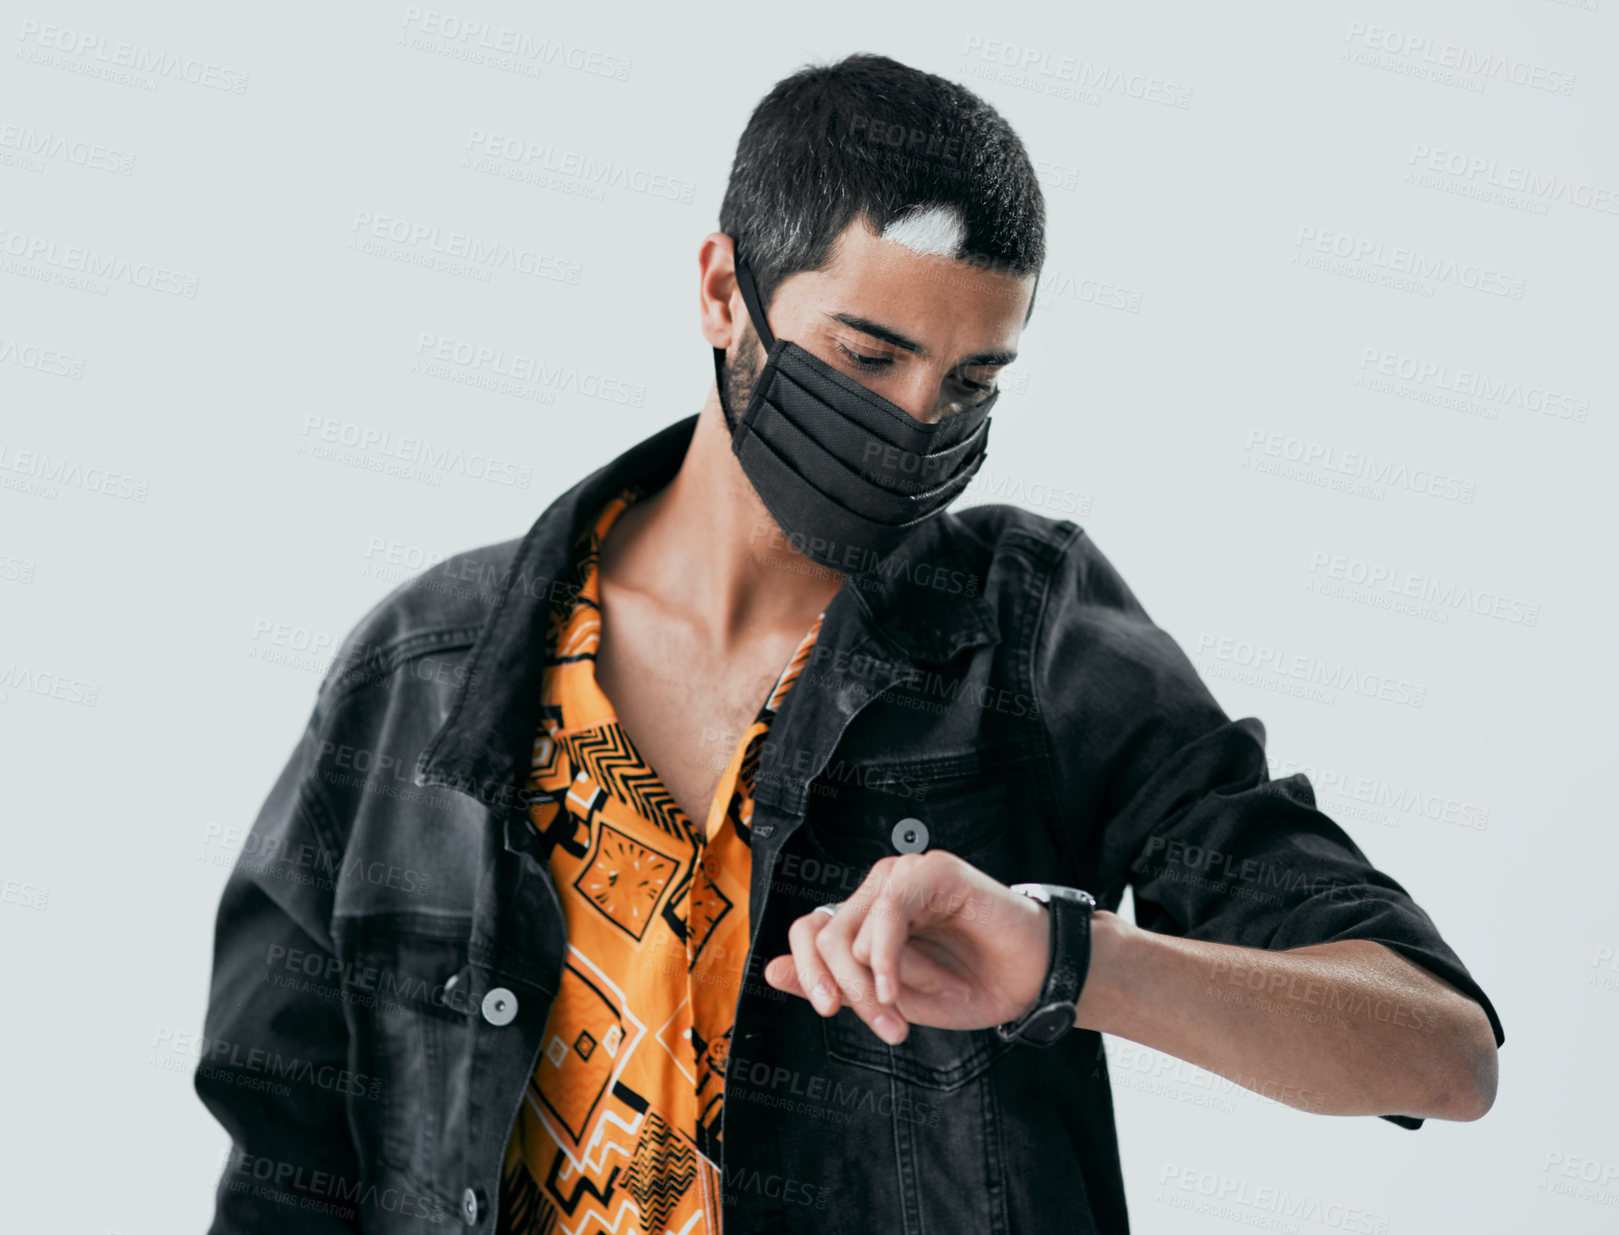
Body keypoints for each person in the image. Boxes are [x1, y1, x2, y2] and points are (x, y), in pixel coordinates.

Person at [196, 52, 1503, 1235]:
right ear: (724, 291)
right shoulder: (428, 674)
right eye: (867, 357)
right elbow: (285, 1162)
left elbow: (1443, 1054)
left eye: (971, 383)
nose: (916, 424)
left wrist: (1067, 962)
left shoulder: (1026, 639)